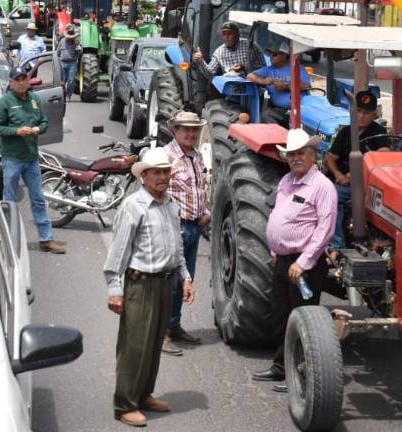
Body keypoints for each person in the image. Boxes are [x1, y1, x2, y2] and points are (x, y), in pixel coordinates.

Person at [103, 147, 196, 427]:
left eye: (166, 172)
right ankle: (124, 404)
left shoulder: (170, 204)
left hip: (165, 283)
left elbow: (177, 245)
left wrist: (186, 277)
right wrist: (115, 290)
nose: (163, 177)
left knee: (154, 343)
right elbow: (118, 252)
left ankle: (144, 395)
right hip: (140, 285)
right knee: (134, 346)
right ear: (143, 175)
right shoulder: (134, 206)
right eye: (157, 172)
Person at [252, 128, 337, 391]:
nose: (295, 158)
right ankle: (281, 367)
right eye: (291, 154)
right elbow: (281, 214)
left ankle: (302, 374)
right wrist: (277, 251)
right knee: (281, 316)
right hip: (283, 260)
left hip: (304, 265)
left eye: (301, 153)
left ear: (312, 155)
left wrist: (304, 262)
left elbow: (325, 229)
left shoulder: (322, 187)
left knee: (304, 320)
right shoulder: (286, 180)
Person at [0, 67, 67, 254]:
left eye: (25, 79)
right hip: (13, 159)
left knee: (38, 199)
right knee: (10, 201)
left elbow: (44, 122)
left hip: (31, 158)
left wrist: (39, 129)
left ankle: (46, 239)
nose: (23, 82)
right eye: (18, 79)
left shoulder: (34, 99)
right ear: (11, 82)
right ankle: (8, 241)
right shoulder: (5, 102)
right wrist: (16, 131)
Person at [161, 111, 210, 356]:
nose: (191, 133)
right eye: (186, 129)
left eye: (195, 129)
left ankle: (174, 325)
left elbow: (202, 187)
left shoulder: (196, 156)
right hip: (174, 227)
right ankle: (160, 334)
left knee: (184, 280)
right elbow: (154, 192)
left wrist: (207, 211)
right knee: (167, 282)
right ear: (175, 130)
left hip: (193, 227)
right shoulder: (166, 156)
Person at [325, 90, 390, 256]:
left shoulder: (378, 133)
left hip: (367, 184)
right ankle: (337, 245)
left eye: (366, 113)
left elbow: (383, 155)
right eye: (358, 111)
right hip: (344, 182)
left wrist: (357, 173)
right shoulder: (346, 132)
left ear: (374, 115)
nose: (361, 116)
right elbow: (330, 158)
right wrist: (338, 175)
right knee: (332, 196)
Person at [246, 42, 311, 126]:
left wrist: (286, 87)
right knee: (266, 116)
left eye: (275, 54)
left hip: (299, 110)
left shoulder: (298, 68)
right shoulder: (268, 70)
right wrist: (264, 81)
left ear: (284, 55)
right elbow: (249, 76)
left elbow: (307, 86)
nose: (271, 56)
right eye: (271, 54)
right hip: (279, 110)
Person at [192, 21, 264, 79]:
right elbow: (210, 74)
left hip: (253, 89)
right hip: (231, 92)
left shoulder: (250, 46)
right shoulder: (219, 52)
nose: (226, 37)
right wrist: (201, 61)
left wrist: (244, 68)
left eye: (230, 33)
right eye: (224, 34)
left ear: (237, 35)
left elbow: (263, 68)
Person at [57, 24, 81, 102]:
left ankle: (68, 95)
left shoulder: (76, 41)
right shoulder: (62, 41)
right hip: (62, 62)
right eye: (69, 33)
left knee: (71, 81)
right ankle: (63, 95)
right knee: (62, 81)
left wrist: (77, 46)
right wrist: (58, 62)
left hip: (72, 63)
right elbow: (58, 52)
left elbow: (80, 52)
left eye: (71, 33)